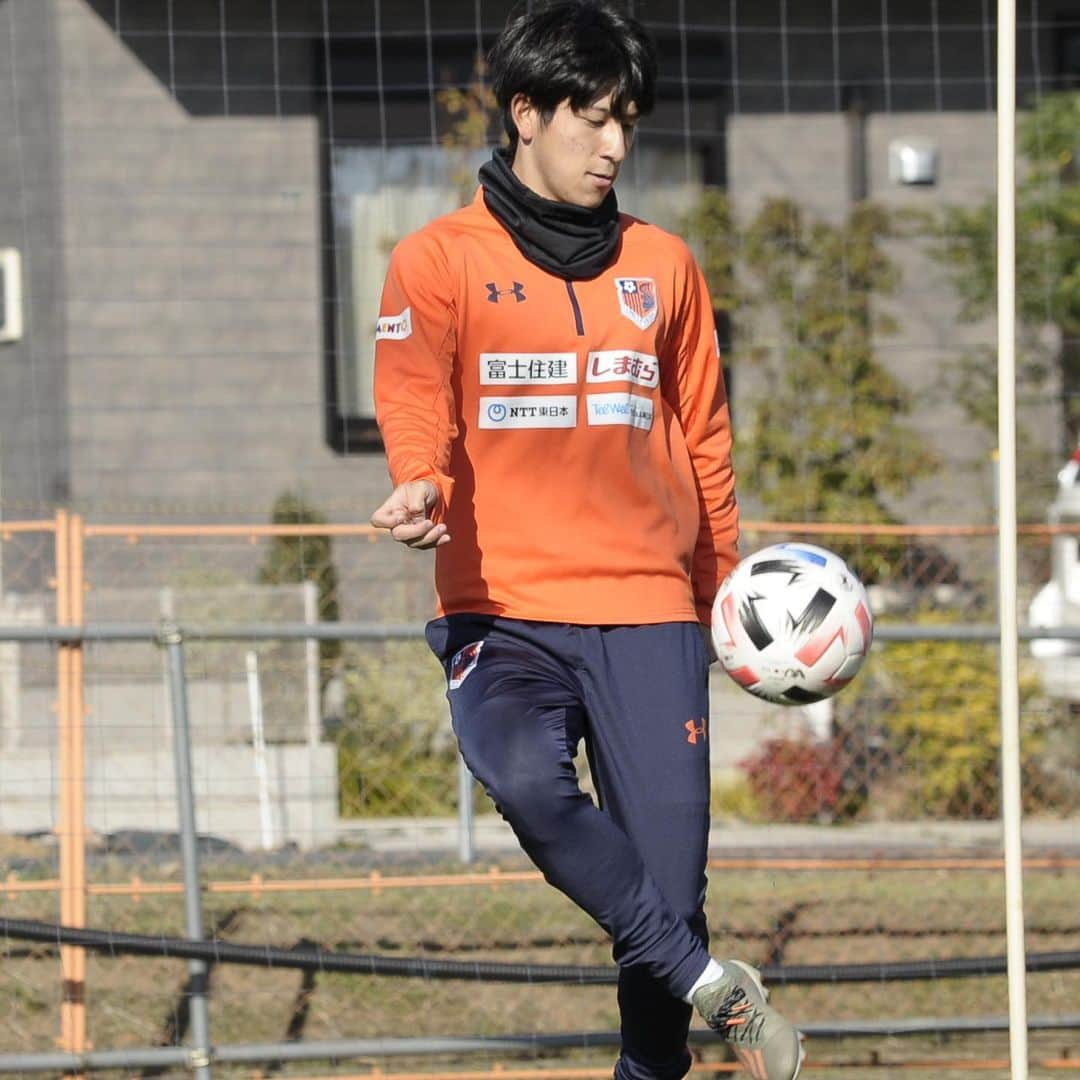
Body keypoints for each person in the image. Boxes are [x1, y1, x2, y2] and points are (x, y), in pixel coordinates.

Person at [370, 3, 802, 1078]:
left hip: (651, 611)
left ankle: (663, 1046)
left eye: (627, 122)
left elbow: (704, 435)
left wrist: (726, 594)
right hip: (502, 607)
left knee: (665, 884)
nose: (615, 145)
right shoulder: (434, 262)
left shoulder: (666, 265)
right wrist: (417, 480)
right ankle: (712, 985)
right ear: (526, 113)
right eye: (591, 119)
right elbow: (414, 397)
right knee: (522, 776)